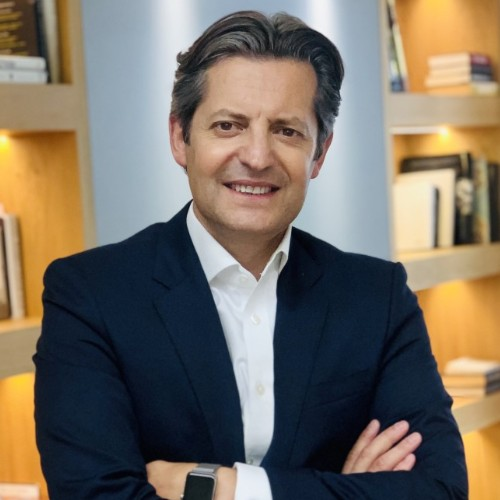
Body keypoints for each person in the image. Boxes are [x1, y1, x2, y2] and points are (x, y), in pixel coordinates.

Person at [34, 10, 467, 500]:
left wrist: (225, 487)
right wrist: (347, 491)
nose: (257, 157)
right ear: (180, 138)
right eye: (228, 126)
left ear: (320, 153)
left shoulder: (377, 297)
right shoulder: (89, 295)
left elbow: (441, 489)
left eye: (287, 131)